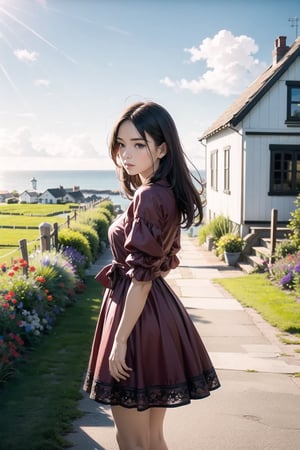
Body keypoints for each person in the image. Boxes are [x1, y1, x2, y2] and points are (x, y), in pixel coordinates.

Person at [83, 101, 220, 450]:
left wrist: (120, 340)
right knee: (152, 438)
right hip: (157, 314)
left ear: (161, 148)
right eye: (121, 144)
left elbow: (141, 279)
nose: (126, 154)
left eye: (138, 144)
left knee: (131, 441)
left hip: (138, 318)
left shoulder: (147, 196)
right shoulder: (164, 192)